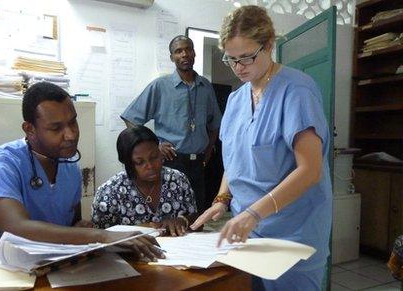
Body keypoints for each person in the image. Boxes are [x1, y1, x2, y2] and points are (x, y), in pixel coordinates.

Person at [190, 6, 332, 291]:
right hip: (248, 231)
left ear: (269, 46)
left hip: (293, 231)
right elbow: (235, 160)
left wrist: (255, 212)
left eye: (247, 57)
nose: (239, 67)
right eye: (231, 59)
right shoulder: (236, 100)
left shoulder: (297, 91)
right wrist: (222, 199)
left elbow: (310, 170)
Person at [0, 82, 164, 262]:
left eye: (73, 122)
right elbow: (17, 228)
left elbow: (71, 226)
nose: (71, 134)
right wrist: (102, 236)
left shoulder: (70, 167)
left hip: (44, 267)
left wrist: (83, 227)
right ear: (29, 129)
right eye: (56, 128)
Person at [121, 35, 222, 214]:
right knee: (170, 215)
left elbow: (215, 125)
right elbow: (131, 119)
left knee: (196, 216)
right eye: (178, 51)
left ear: (194, 53)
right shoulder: (160, 86)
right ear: (172, 57)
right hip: (170, 162)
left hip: (198, 165)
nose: (184, 54)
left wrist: (206, 154)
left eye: (188, 49)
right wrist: (155, 147)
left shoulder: (206, 86)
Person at [92, 125, 197, 236]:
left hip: (178, 251)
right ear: (127, 163)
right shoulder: (111, 192)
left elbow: (196, 220)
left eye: (154, 157)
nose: (150, 166)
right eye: (139, 162)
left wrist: (183, 221)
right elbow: (99, 237)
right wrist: (139, 229)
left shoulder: (178, 181)